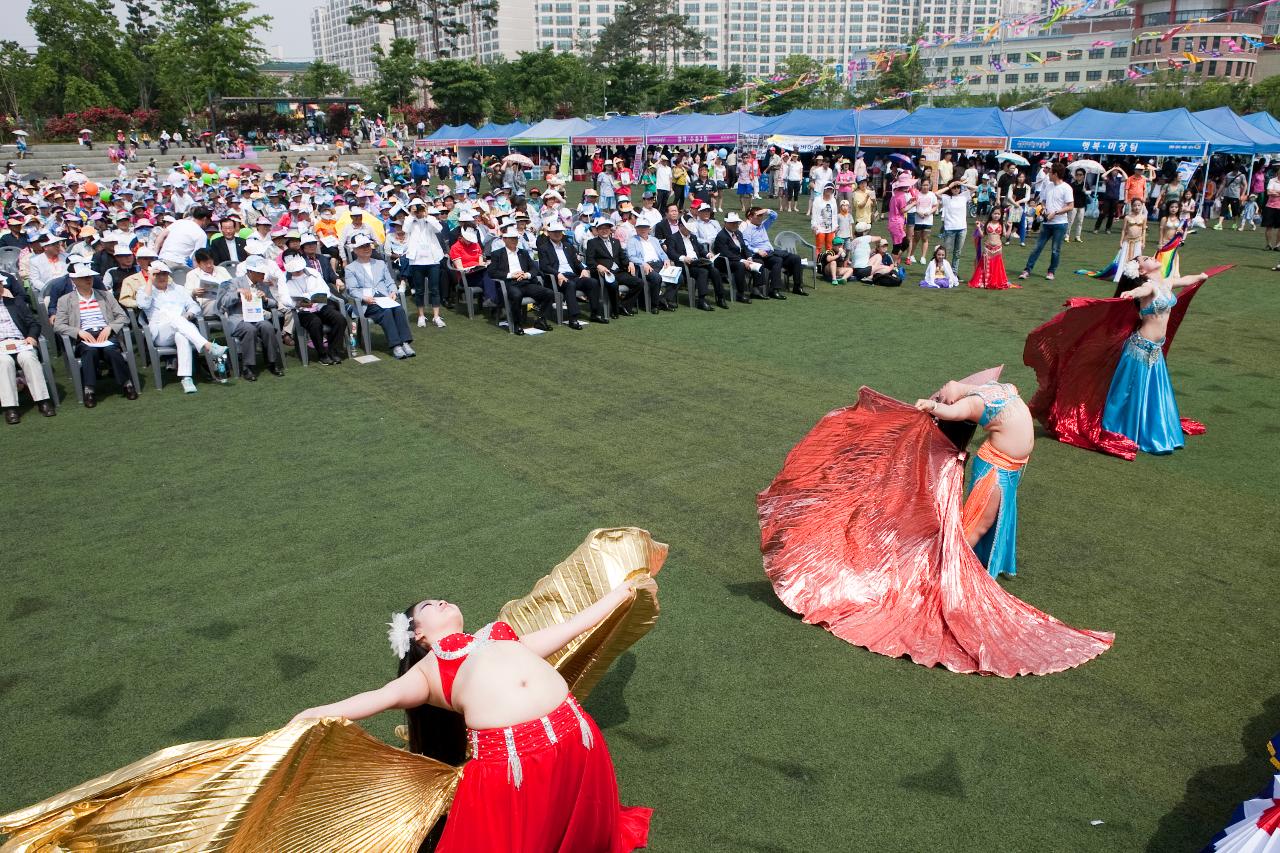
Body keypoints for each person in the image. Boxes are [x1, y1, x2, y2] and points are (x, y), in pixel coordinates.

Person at [759, 380, 1113, 676]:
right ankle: (954, 578)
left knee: (989, 520)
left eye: (945, 391)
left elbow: (959, 400)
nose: (946, 392)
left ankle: (972, 567)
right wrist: (931, 405)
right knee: (978, 522)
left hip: (1010, 466)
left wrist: (944, 396)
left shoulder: (986, 388)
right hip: (996, 468)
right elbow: (952, 413)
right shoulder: (978, 398)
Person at [1101, 258, 1210, 455]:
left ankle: (1152, 428)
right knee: (1130, 394)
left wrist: (1202, 276)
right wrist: (1131, 292)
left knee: (1153, 395)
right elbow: (1141, 292)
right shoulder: (1148, 286)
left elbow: (1185, 280)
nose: (1151, 257)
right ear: (1141, 270)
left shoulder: (1166, 283)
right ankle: (1125, 429)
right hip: (1140, 350)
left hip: (1155, 350)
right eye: (1145, 259)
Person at [53, 263, 139, 407]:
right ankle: (89, 390)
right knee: (89, 351)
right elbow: (58, 325)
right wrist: (78, 332)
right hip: (84, 336)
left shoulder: (105, 296)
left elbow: (123, 317)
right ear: (74, 280)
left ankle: (126, 384)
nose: (89, 279)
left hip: (106, 333)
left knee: (111, 351)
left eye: (90, 277)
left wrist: (110, 328)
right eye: (84, 277)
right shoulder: (65, 300)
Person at [136, 262, 228, 394]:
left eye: (165, 274)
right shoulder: (144, 290)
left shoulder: (178, 289)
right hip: (161, 333)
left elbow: (194, 306)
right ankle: (208, 345)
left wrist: (189, 314)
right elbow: (143, 304)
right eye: (158, 274)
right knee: (176, 319)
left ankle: (186, 378)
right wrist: (149, 281)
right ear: (152, 275)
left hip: (182, 327)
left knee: (182, 335)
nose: (162, 277)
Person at [346, 234, 416, 358]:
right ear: (355, 250)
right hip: (368, 302)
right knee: (386, 312)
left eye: (368, 245)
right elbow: (352, 289)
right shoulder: (350, 268)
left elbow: (390, 282)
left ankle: (405, 342)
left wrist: (393, 292)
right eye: (362, 246)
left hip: (384, 297)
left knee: (399, 310)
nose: (366, 248)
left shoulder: (380, 263)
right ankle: (396, 345)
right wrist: (364, 298)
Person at [217, 257, 284, 380]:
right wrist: (237, 293)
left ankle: (272, 362)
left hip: (257, 317)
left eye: (264, 272)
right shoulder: (234, 282)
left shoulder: (262, 285)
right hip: (239, 318)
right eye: (260, 273)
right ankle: (248, 366)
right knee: (249, 329)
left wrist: (265, 299)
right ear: (250, 272)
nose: (263, 275)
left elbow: (274, 303)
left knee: (268, 327)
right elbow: (223, 302)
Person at [0, 278, 54, 423]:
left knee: (28, 358)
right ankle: (10, 407)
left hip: (21, 342)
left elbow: (33, 323)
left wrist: (31, 336)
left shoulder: (16, 302)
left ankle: (43, 400)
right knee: (4, 363)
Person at [279, 253, 348, 365]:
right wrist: (297, 303)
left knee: (340, 319)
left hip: (321, 305)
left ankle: (333, 350)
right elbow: (284, 298)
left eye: (300, 269)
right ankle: (322, 354)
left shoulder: (313, 272)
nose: (299, 272)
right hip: (302, 310)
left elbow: (326, 291)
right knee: (315, 322)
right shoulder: (283, 278)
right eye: (295, 270)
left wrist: (315, 298)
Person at [538, 221, 606, 328]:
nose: (557, 234)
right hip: (557, 278)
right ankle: (573, 318)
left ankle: (595, 313)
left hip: (572, 275)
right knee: (570, 285)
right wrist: (558, 274)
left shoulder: (568, 246)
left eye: (559, 232)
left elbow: (576, 262)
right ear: (549, 233)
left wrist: (583, 269)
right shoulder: (544, 248)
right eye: (555, 232)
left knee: (592, 282)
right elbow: (544, 266)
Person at [489, 228, 554, 335]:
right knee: (516, 294)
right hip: (509, 283)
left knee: (548, 293)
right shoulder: (497, 254)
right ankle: (517, 324)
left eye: (515, 238)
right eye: (511, 238)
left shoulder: (523, 253)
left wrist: (526, 275)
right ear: (504, 239)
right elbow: (492, 272)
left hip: (525, 282)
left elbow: (534, 268)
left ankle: (541, 320)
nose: (514, 240)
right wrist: (511, 275)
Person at [1019, 163, 1073, 281]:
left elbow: (1070, 206)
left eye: (1050, 171)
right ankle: (1027, 269)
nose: (1047, 173)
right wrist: (1043, 209)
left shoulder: (1066, 188)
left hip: (1060, 224)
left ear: (1055, 174)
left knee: (1055, 250)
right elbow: (1043, 201)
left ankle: (1051, 271)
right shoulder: (1048, 186)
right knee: (1037, 247)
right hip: (1047, 223)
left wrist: (1056, 212)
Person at [665, 214, 726, 310]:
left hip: (698, 262)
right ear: (680, 226)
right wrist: (683, 258)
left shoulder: (693, 237)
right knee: (703, 271)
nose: (689, 231)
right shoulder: (673, 238)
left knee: (714, 271)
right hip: (686, 265)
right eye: (687, 228)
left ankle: (720, 297)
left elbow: (700, 249)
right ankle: (702, 300)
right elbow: (671, 252)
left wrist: (707, 255)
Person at [585, 219, 645, 317]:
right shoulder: (592, 242)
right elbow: (589, 260)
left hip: (619, 271)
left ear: (610, 230)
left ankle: (624, 306)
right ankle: (615, 310)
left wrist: (630, 263)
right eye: (601, 228)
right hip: (605, 272)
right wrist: (598, 266)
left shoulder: (616, 242)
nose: (604, 230)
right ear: (597, 230)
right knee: (613, 284)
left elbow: (622, 257)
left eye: (607, 228)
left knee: (639, 282)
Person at [742, 207, 805, 298]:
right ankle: (774, 290)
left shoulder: (763, 225)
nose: (761, 217)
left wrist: (766, 211)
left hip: (771, 252)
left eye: (761, 215)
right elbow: (746, 245)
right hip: (759, 255)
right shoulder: (748, 231)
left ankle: (797, 287)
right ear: (751, 217)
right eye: (758, 215)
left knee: (796, 258)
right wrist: (757, 250)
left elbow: (774, 216)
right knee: (778, 260)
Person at [712, 211, 765, 302]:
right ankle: (740, 294)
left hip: (738, 259)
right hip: (726, 262)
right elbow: (725, 253)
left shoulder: (738, 233)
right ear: (725, 223)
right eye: (732, 223)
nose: (735, 225)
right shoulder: (721, 236)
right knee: (740, 266)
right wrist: (742, 260)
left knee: (759, 262)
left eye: (736, 223)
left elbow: (744, 247)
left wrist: (749, 257)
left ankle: (756, 289)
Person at [625, 221, 674, 313]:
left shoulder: (654, 240)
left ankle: (663, 299)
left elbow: (661, 253)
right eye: (640, 227)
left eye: (645, 227)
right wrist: (643, 263)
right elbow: (631, 256)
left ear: (649, 229)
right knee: (657, 278)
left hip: (659, 264)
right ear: (636, 229)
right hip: (645, 265)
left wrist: (666, 259)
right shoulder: (632, 240)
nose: (643, 230)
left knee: (679, 277)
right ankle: (655, 305)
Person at [967, 205, 1013, 290]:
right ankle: (986, 282)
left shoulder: (1001, 224)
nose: (996, 215)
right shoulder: (987, 224)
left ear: (1001, 215)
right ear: (991, 214)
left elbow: (1006, 235)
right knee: (985, 265)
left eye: (998, 214)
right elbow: (982, 235)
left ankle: (994, 281)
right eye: (995, 213)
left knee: (996, 266)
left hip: (998, 248)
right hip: (987, 247)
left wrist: (1010, 227)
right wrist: (978, 227)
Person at [937, 179, 972, 275]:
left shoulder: (964, 196)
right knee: (945, 252)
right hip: (949, 228)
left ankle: (954, 272)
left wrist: (962, 184)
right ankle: (943, 271)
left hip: (962, 228)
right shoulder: (946, 197)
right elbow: (936, 193)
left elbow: (977, 188)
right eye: (954, 187)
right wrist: (949, 186)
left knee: (957, 253)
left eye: (958, 187)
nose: (956, 189)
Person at [886, 174, 913, 271]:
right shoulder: (901, 196)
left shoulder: (896, 194)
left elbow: (900, 207)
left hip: (893, 222)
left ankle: (894, 262)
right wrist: (913, 204)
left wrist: (909, 202)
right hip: (897, 223)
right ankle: (894, 265)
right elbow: (902, 210)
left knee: (902, 243)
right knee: (899, 245)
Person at [907, 177, 937, 264]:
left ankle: (923, 257)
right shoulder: (917, 194)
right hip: (917, 220)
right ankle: (911, 255)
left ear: (930, 185)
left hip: (928, 220)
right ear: (920, 185)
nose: (925, 187)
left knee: (925, 238)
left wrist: (929, 212)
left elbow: (935, 206)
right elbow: (913, 205)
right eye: (924, 185)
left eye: (927, 185)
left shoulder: (932, 195)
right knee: (916, 238)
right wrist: (918, 212)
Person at [1094, 166, 1126, 235]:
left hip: (1115, 199)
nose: (1115, 172)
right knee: (1102, 214)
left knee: (1112, 215)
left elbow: (1126, 178)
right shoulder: (1108, 179)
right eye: (1114, 171)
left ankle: (1108, 229)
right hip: (1107, 199)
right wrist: (1111, 169)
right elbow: (1103, 176)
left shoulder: (1119, 179)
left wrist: (1121, 169)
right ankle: (1096, 228)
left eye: (1116, 171)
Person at [810, 184, 839, 257]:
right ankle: (817, 264)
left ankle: (827, 264)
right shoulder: (817, 200)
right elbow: (814, 214)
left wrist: (835, 226)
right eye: (827, 189)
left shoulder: (833, 200)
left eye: (831, 189)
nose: (829, 191)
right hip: (820, 227)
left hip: (830, 228)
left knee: (829, 247)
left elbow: (835, 214)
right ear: (824, 189)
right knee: (819, 246)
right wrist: (814, 225)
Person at [1006, 171, 1031, 246]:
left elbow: (1027, 198)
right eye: (1019, 177)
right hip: (1012, 206)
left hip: (1021, 207)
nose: (1021, 179)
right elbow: (1009, 197)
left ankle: (1022, 241)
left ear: (1025, 178)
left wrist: (1018, 202)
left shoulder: (1027, 187)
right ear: (1017, 178)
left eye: (1023, 177)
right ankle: (1008, 240)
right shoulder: (1012, 186)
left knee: (1022, 224)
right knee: (1010, 223)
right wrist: (1014, 204)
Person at [1067, 168, 1089, 243]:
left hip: (1082, 206)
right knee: (1070, 221)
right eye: (1077, 174)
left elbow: (1090, 193)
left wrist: (1086, 192)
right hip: (1073, 206)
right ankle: (1067, 236)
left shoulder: (1085, 184)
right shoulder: (1072, 185)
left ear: (1083, 176)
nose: (1078, 176)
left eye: (1080, 175)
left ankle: (1077, 236)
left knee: (1080, 222)